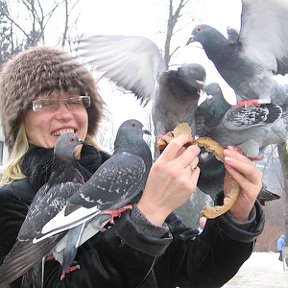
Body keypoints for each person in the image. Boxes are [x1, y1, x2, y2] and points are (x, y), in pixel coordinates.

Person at [0, 46, 265, 288]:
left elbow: (190, 270)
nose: (65, 114)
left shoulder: (129, 176)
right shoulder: (11, 203)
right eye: (45, 102)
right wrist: (145, 219)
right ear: (19, 120)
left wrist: (237, 218)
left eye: (74, 100)